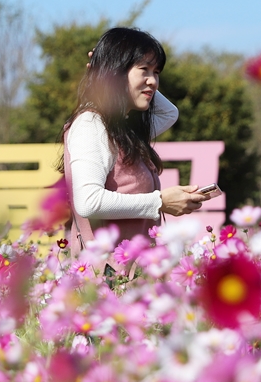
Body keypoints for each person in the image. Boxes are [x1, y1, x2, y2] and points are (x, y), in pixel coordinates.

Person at [61, 26, 217, 261]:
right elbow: (89, 202)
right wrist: (160, 201)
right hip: (107, 273)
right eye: (144, 70)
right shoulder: (91, 124)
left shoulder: (123, 128)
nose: (153, 81)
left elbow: (169, 113)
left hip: (134, 270)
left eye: (156, 72)